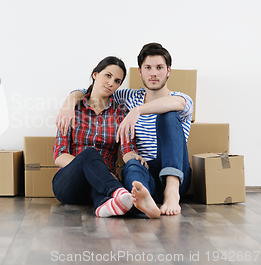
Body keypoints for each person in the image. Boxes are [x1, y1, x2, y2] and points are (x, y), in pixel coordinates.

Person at [56, 43, 192, 217]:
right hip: (144, 172)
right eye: (148, 67)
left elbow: (179, 104)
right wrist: (69, 103)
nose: (153, 73)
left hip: (176, 174)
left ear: (168, 71)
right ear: (140, 72)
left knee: (168, 116)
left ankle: (171, 193)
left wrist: (138, 110)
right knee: (133, 164)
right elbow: (93, 91)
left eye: (159, 67)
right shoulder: (127, 97)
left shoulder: (180, 99)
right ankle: (142, 201)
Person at [52, 56, 139, 218]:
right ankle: (118, 192)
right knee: (90, 154)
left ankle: (104, 207)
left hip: (100, 185)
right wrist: (93, 169)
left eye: (117, 81)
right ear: (95, 75)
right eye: (108, 75)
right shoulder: (73, 109)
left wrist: (135, 157)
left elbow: (128, 149)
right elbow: (59, 155)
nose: (111, 83)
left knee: (98, 187)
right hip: (68, 184)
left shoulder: (120, 113)